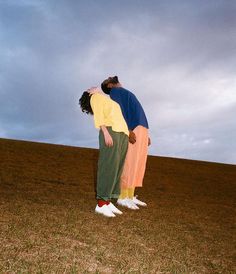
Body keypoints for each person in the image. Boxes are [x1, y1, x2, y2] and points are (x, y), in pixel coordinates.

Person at [101, 76, 151, 210]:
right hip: (133, 128)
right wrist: (128, 130)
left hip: (141, 127)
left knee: (138, 164)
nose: (109, 77)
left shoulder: (122, 91)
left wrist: (146, 134)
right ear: (109, 86)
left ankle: (130, 195)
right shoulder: (115, 92)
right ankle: (122, 197)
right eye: (108, 79)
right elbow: (119, 111)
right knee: (129, 163)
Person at [79, 87, 129, 217]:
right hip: (110, 131)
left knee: (117, 167)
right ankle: (101, 203)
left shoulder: (104, 98)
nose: (92, 87)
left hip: (122, 133)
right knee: (108, 166)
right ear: (89, 93)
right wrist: (105, 132)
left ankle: (108, 201)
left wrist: (100, 92)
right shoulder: (95, 97)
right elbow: (99, 114)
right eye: (89, 88)